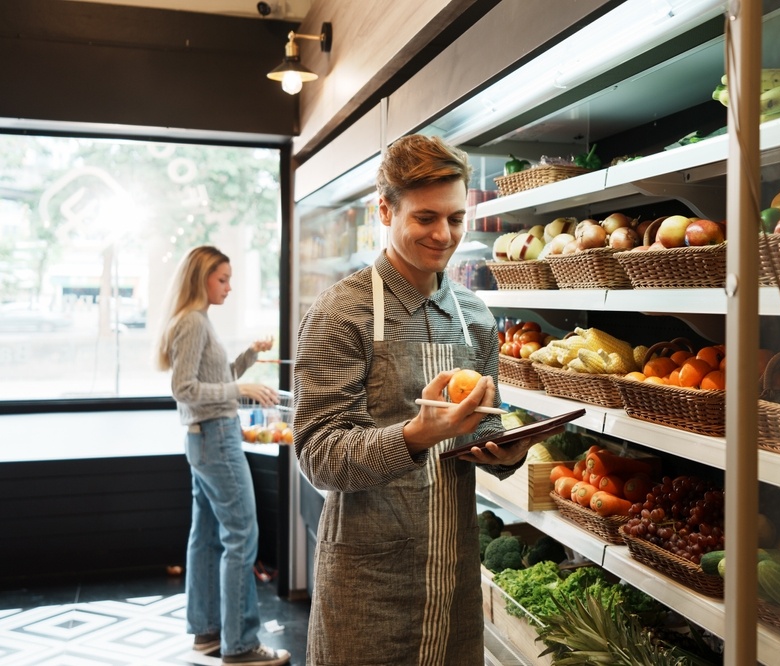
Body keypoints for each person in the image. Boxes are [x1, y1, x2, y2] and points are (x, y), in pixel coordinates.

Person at [294, 134, 548, 665]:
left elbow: (478, 429)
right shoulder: (341, 313)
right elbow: (318, 453)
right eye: (426, 218)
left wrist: (505, 451)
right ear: (385, 209)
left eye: (456, 219)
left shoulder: (475, 318)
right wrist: (415, 436)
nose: (444, 235)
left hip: (453, 573)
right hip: (369, 581)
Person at [155, 245, 291, 666]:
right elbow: (185, 390)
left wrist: (248, 359)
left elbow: (214, 378)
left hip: (203, 438)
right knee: (241, 538)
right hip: (216, 437)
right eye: (223, 279)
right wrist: (241, 391)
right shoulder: (194, 323)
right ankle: (242, 645)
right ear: (201, 278)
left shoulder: (194, 321)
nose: (230, 287)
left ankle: (208, 632)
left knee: (207, 536)